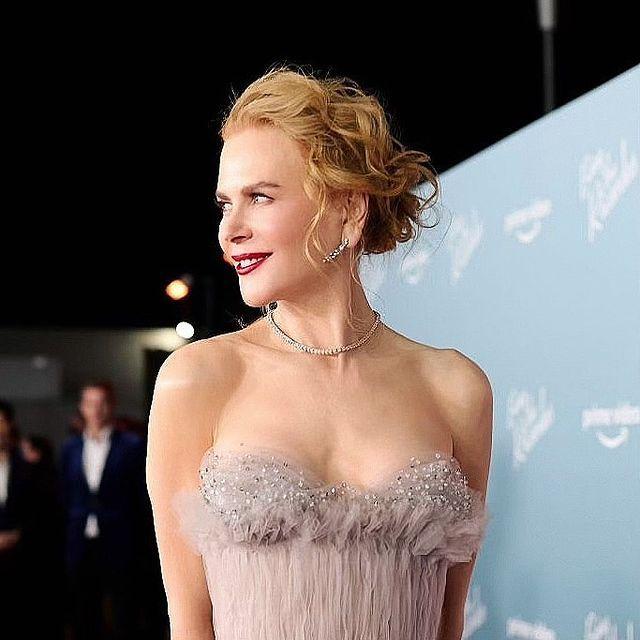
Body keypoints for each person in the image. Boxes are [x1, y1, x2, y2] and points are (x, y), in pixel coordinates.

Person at [146, 63, 493, 640]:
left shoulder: (455, 387)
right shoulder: (199, 379)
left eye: (259, 197)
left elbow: (447, 625)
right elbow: (189, 625)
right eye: (225, 204)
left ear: (348, 210)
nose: (229, 231)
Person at [60, 380, 146, 640]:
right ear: (82, 407)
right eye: (90, 403)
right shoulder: (70, 448)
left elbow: (140, 496)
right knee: (83, 613)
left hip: (120, 539)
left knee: (124, 613)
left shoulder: (132, 445)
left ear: (112, 405)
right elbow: (64, 494)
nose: (96, 410)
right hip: (80, 540)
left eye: (102, 403)